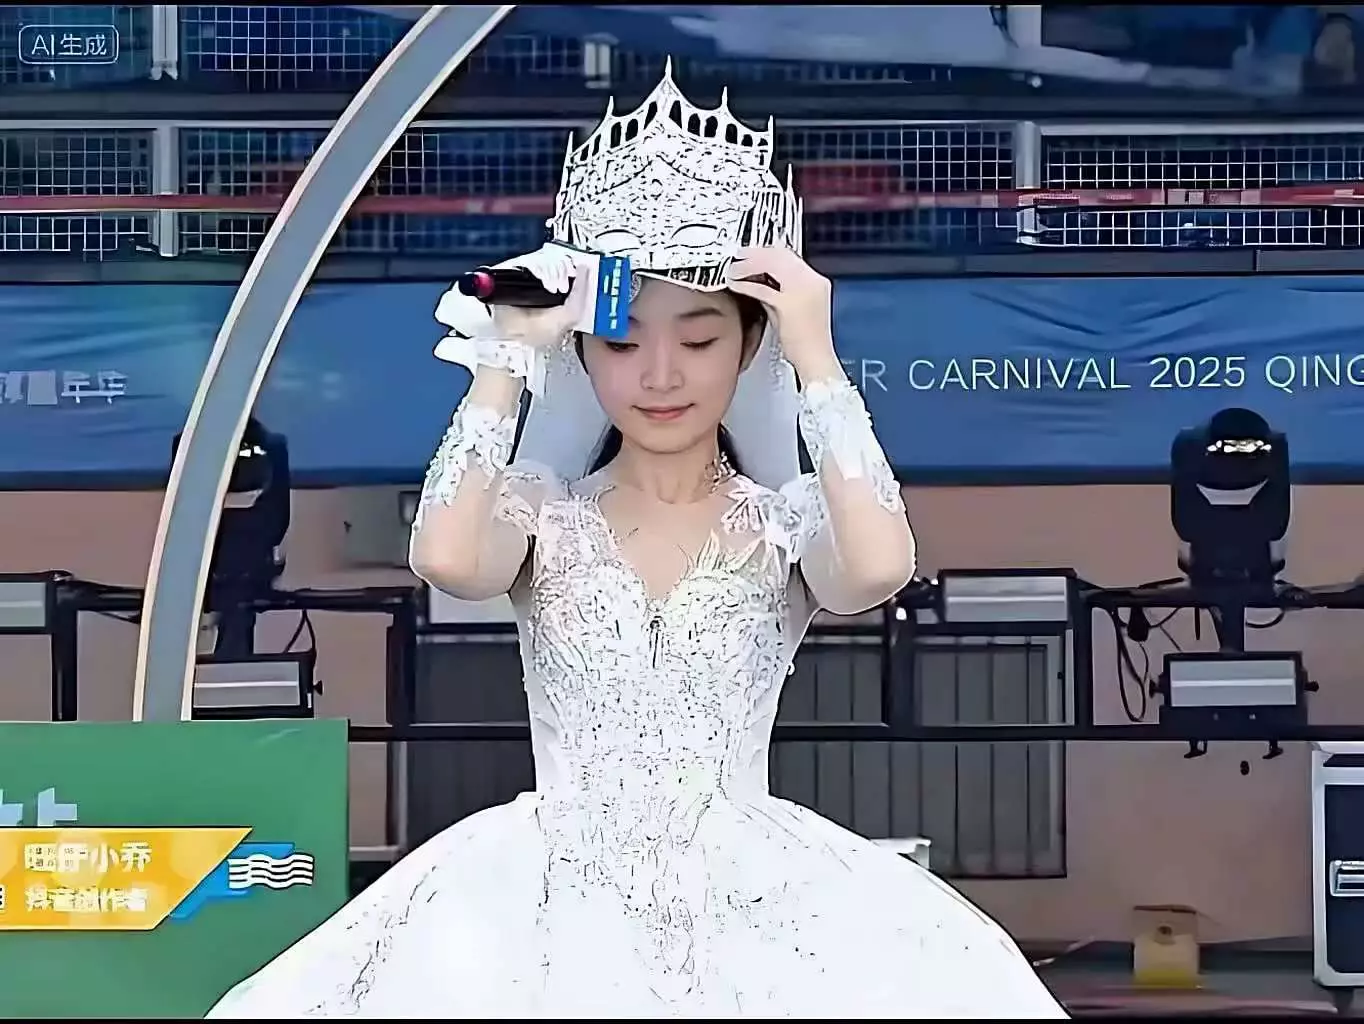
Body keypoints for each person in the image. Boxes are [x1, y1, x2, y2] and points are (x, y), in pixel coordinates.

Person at [206, 63, 1067, 1019]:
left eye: (699, 341)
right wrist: (506, 354)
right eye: (623, 343)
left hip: (750, 905)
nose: (660, 375)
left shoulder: (783, 523)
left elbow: (876, 569)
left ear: (749, 349)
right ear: (584, 353)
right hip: (544, 908)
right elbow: (445, 558)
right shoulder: (541, 511)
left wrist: (817, 353)